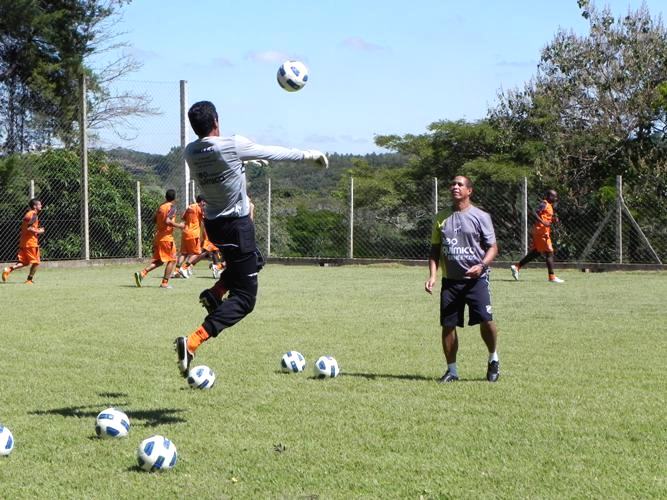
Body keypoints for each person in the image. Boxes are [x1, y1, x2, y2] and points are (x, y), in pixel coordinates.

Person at [174, 100, 328, 377]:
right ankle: (193, 341)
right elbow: (273, 153)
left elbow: (221, 162)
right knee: (245, 299)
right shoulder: (232, 145)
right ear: (217, 121)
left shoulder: (190, 151)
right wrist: (309, 156)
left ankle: (216, 292)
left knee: (254, 260)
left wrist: (241, 162)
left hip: (215, 225)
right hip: (237, 225)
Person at [425, 175, 500, 383]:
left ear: (469, 191)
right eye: (453, 184)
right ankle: (452, 371)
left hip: (477, 279)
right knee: (448, 325)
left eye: (460, 184)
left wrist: (482, 265)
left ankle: (493, 358)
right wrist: (432, 275)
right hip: (451, 281)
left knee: (486, 320)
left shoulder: (481, 216)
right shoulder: (441, 217)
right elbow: (434, 250)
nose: (455, 187)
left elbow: (493, 248)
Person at [134, 189, 185, 289]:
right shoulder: (172, 207)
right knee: (173, 260)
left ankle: (142, 273)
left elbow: (154, 220)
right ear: (174, 198)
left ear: (166, 197)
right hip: (166, 238)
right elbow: (167, 220)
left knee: (160, 261)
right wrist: (179, 225)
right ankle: (164, 283)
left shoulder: (161, 207)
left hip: (158, 237)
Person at [510, 189, 564, 283]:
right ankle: (552, 277)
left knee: (537, 252)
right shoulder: (544, 203)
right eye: (554, 196)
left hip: (541, 231)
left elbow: (546, 217)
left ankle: (517, 266)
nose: (556, 198)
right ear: (549, 196)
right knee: (549, 252)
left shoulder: (549, 206)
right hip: (541, 232)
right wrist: (542, 222)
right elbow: (534, 212)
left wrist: (553, 219)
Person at [2, 198, 45, 284]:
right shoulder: (33, 215)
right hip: (31, 243)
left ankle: (9, 269)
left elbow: (27, 227)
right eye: (39, 204)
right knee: (36, 262)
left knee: (25, 262)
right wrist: (39, 231)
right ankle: (29, 280)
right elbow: (29, 228)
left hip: (24, 242)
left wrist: (36, 229)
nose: (41, 206)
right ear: (35, 206)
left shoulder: (28, 214)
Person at [175, 195, 207, 278]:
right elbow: (204, 218)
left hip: (185, 232)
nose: (205, 204)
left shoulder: (189, 207)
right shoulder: (199, 208)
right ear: (202, 201)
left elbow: (183, 218)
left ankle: (176, 271)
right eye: (204, 202)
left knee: (184, 253)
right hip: (193, 233)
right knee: (197, 253)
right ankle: (184, 268)